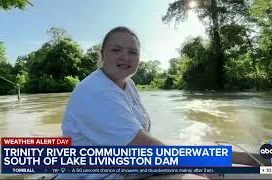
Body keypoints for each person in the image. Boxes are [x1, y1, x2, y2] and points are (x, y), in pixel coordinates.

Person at [58, 26, 205, 179]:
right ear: (102, 55)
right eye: (116, 50)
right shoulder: (96, 90)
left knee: (223, 156)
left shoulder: (129, 84)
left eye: (133, 52)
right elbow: (142, 146)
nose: (125, 57)